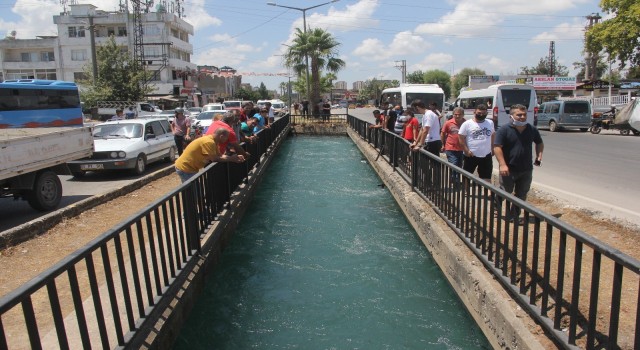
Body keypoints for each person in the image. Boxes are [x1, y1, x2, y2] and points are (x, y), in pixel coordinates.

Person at [493, 104, 544, 220]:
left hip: (526, 169)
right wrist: (502, 164)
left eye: (524, 114)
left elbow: (539, 143)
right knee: (505, 191)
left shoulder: (531, 129)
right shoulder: (504, 130)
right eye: (519, 115)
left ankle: (514, 215)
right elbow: (497, 147)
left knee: (522, 193)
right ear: (511, 116)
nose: (522, 117)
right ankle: (496, 208)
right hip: (509, 168)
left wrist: (539, 156)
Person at [174, 128, 245, 183]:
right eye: (226, 138)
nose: (227, 140)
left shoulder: (214, 141)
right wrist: (232, 159)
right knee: (192, 191)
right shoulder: (209, 142)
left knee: (194, 191)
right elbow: (214, 159)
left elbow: (219, 155)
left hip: (190, 168)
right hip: (185, 168)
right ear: (221, 136)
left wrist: (235, 157)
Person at [457, 104, 495, 183]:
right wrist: (466, 150)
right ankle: (465, 193)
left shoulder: (490, 123)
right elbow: (461, 138)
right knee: (467, 176)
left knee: (487, 177)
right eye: (479, 113)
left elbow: (493, 134)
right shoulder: (467, 124)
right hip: (471, 155)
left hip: (486, 155)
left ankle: (486, 194)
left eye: (483, 114)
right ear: (474, 112)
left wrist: (492, 147)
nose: (481, 115)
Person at [440, 107, 465, 184]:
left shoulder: (466, 123)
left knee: (459, 165)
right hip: (450, 148)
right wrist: (442, 144)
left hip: (461, 149)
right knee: (454, 164)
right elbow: (443, 133)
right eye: (455, 114)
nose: (457, 116)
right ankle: (456, 182)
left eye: (459, 114)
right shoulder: (448, 123)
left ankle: (453, 179)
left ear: (463, 115)